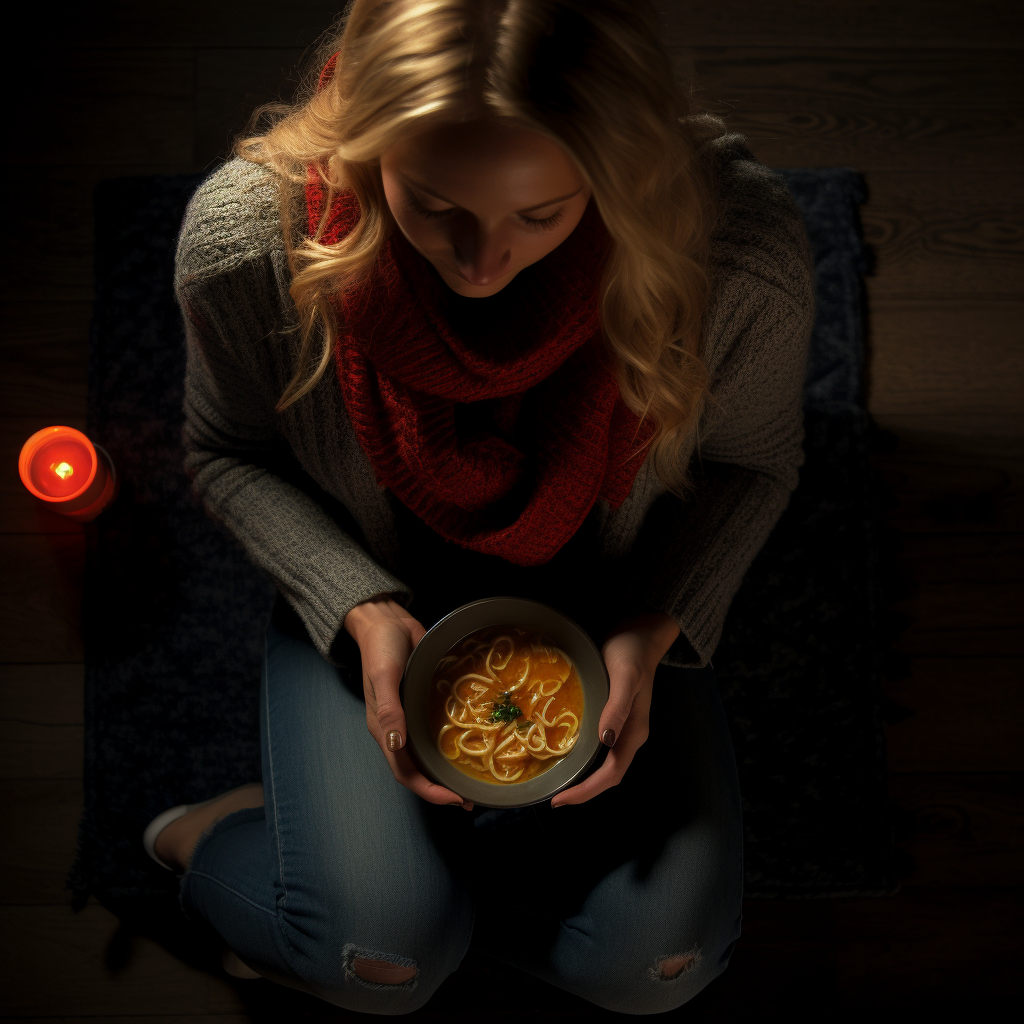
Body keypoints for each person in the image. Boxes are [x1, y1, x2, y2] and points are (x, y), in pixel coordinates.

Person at [143, 0, 813, 1014]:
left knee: (656, 968)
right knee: (379, 967)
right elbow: (226, 452)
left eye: (540, 214)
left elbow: (754, 464)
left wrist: (649, 620)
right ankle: (214, 837)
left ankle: (398, 904)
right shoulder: (244, 249)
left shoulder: (739, 254)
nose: (482, 263)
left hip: (608, 582)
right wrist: (357, 603)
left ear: (617, 167)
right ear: (367, 154)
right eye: (435, 205)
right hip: (370, 572)